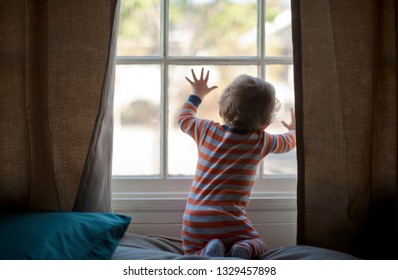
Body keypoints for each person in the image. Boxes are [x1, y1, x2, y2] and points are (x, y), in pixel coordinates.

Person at [177, 68, 296, 259]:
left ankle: (205, 253)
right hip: (230, 220)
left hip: (195, 218)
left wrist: (197, 94)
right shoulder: (261, 140)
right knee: (259, 244)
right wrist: (294, 130)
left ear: (223, 107)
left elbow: (183, 119)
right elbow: (287, 144)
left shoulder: (206, 130)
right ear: (265, 122)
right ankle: (242, 249)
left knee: (190, 252)